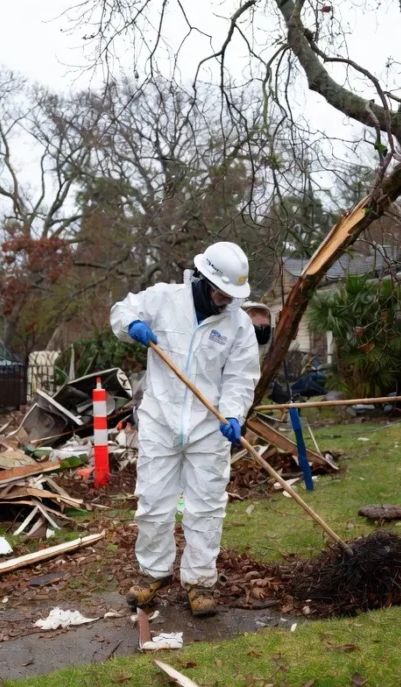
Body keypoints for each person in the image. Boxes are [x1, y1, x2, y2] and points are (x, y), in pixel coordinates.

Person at [110, 241, 260, 617]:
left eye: (233, 295)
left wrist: (233, 415)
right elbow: (122, 310)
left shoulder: (237, 324)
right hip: (161, 419)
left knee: (206, 507)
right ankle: (152, 573)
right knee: (154, 502)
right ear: (206, 279)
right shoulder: (164, 299)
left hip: (209, 427)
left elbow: (241, 377)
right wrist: (132, 325)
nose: (228, 300)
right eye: (223, 292)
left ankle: (199, 582)